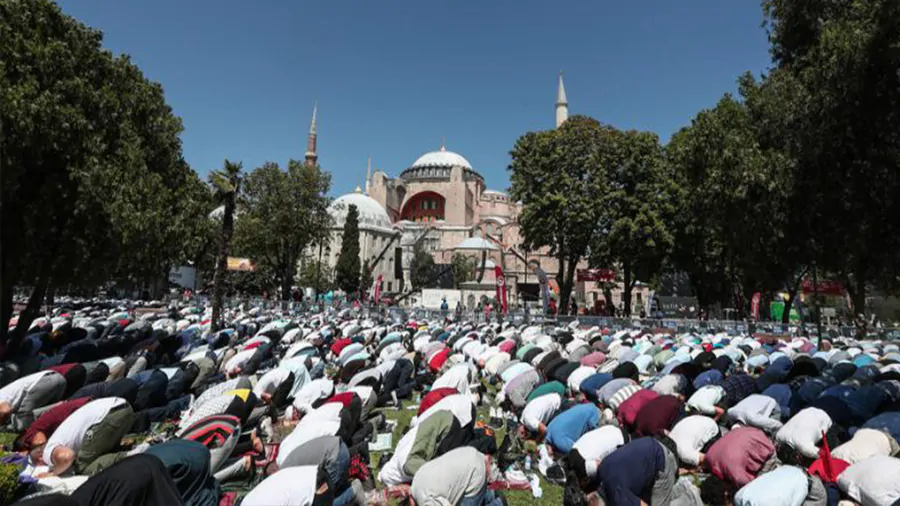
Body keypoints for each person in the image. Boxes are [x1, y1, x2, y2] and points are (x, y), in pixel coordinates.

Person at [38, 396, 136, 476]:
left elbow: (67, 457)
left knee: (83, 468)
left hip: (109, 416)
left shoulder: (48, 451)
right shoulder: (59, 437)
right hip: (123, 408)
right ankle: (135, 449)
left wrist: (52, 474)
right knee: (105, 453)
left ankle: (133, 454)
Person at [409, 446, 505, 506]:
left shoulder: (425, 501)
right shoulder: (415, 482)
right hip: (469, 454)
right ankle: (490, 496)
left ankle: (499, 503)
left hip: (474, 472)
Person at [0, 370, 67, 430]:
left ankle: (63, 405)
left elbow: (5, 410)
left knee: (21, 421)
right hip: (57, 378)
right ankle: (63, 405)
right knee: (47, 416)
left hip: (42, 382)